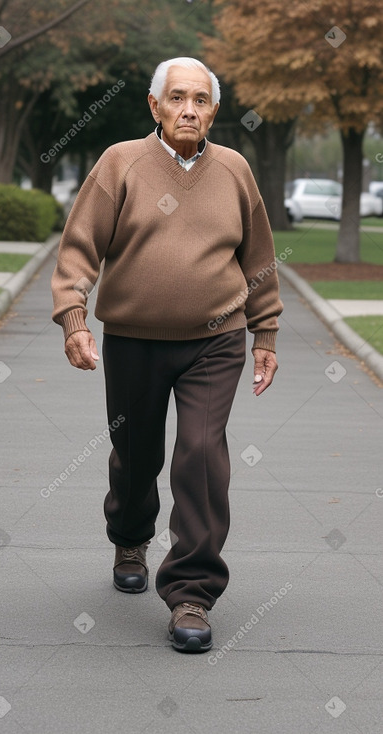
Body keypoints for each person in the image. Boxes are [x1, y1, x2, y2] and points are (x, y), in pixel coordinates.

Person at [51, 57, 283, 653]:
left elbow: (258, 259)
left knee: (202, 456)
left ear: (214, 110)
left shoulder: (234, 169)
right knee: (136, 452)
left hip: (216, 339)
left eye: (201, 100)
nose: (189, 109)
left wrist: (265, 334)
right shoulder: (120, 163)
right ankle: (130, 536)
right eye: (176, 98)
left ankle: (192, 593)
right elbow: (80, 247)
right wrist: (74, 318)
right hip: (133, 339)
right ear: (153, 107)